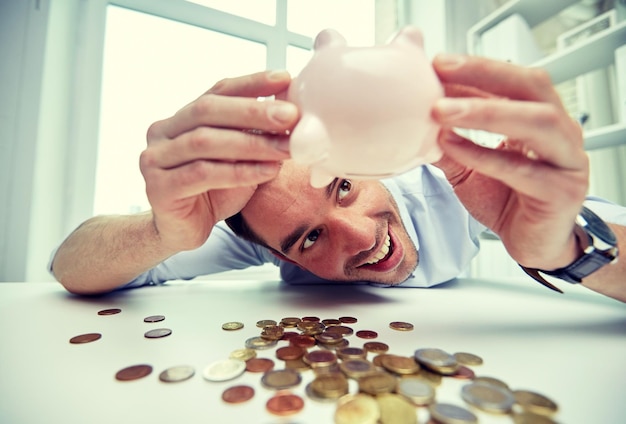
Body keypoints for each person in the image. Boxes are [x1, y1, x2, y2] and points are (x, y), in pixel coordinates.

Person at [49, 53, 626, 302]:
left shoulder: (453, 174)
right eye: (309, 239)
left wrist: (564, 249)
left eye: (343, 186)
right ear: (283, 258)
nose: (359, 236)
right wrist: (162, 236)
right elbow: (67, 268)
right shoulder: (244, 227)